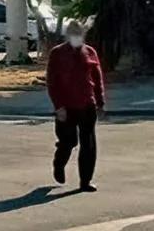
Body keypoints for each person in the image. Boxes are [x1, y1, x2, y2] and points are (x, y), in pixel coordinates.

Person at [46, 19, 105, 192]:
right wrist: (58, 107)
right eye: (73, 34)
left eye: (79, 34)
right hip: (66, 107)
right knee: (68, 141)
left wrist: (100, 102)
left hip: (87, 104)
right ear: (67, 35)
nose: (77, 37)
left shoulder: (90, 52)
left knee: (89, 145)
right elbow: (52, 82)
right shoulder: (58, 53)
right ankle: (59, 163)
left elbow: (97, 79)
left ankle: (85, 181)